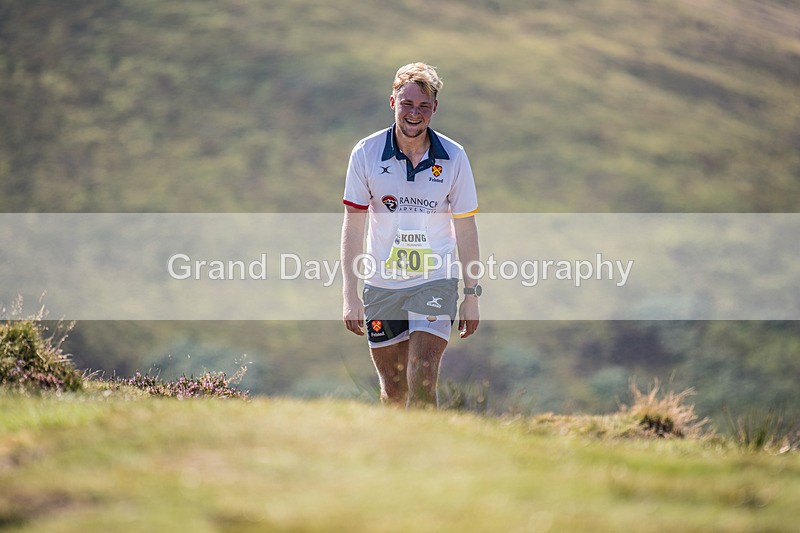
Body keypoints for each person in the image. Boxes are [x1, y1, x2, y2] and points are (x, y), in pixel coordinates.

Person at [341, 62, 481, 408]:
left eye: (423, 106)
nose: (414, 114)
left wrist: (472, 293)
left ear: (435, 108)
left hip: (435, 280)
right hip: (382, 282)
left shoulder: (454, 157)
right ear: (393, 103)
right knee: (393, 389)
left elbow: (465, 226)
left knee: (422, 378)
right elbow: (354, 223)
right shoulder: (366, 153)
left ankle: (429, 460)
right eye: (407, 104)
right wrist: (350, 294)